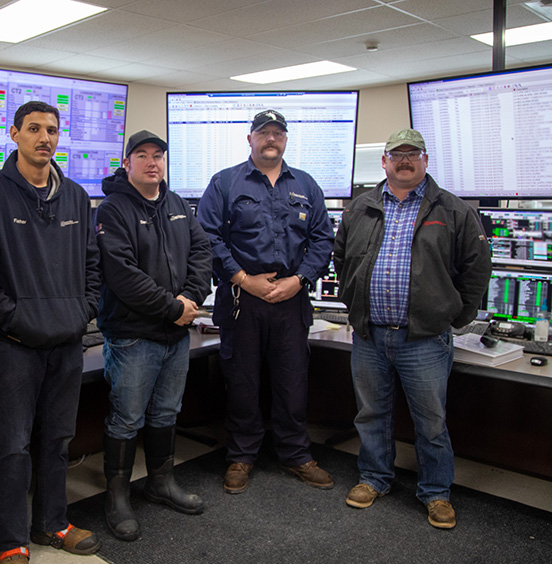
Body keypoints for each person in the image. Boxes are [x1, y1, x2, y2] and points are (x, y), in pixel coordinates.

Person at [0, 101, 101, 564]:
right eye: (35, 129)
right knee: (14, 446)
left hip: (66, 343)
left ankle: (53, 523)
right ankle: (11, 544)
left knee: (58, 440)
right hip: (15, 346)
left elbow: (93, 267)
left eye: (53, 130)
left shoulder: (77, 197)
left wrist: (82, 312)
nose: (45, 138)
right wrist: (16, 321)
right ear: (15, 134)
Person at [333, 128, 492, 529]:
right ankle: (374, 478)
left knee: (431, 421)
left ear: (425, 161)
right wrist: (356, 307)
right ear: (384, 162)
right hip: (370, 334)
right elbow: (342, 260)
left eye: (413, 154)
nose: (405, 161)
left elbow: (476, 269)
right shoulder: (360, 208)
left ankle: (436, 492)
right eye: (396, 154)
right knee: (371, 414)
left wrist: (454, 317)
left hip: (423, 337)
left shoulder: (453, 210)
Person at [197, 110, 335, 494]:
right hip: (243, 298)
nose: (270, 139)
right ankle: (241, 456)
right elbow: (208, 237)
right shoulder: (225, 182)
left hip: (291, 300)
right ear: (250, 139)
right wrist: (243, 279)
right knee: (241, 381)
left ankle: (295, 455)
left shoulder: (306, 184)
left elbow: (323, 239)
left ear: (286, 139)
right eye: (263, 133)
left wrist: (299, 279)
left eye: (277, 133)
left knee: (293, 382)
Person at [95, 130, 213, 540]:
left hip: (175, 334)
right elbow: (122, 274)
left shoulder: (177, 204)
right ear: (126, 163)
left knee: (166, 412)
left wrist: (190, 298)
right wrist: (173, 307)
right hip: (134, 335)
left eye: (158, 155)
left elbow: (202, 253)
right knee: (127, 418)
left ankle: (161, 483)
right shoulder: (112, 210)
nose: (152, 162)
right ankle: (117, 497)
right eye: (142, 155)